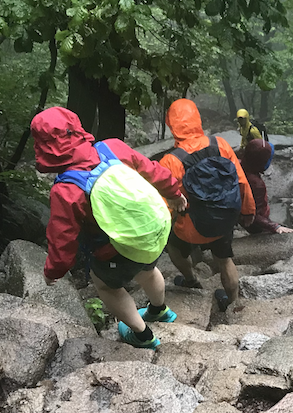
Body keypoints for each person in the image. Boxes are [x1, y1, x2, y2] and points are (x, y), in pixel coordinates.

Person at [32, 107, 186, 350]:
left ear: (43, 147)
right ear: (77, 128)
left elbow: (63, 239)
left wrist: (53, 272)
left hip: (118, 249)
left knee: (107, 286)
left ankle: (143, 336)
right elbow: (153, 170)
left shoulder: (66, 189)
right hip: (154, 229)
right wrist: (175, 194)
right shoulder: (113, 147)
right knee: (148, 269)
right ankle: (159, 310)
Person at [160, 98, 255, 311]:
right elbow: (241, 180)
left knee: (173, 246)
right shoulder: (220, 144)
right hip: (224, 219)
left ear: (171, 124)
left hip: (192, 227)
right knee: (225, 260)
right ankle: (233, 303)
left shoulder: (170, 161)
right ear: (198, 118)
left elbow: (165, 204)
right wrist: (248, 211)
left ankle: (191, 279)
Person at [240, 138, 293, 235]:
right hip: (256, 223)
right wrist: (274, 226)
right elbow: (254, 214)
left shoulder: (237, 165)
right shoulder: (257, 184)